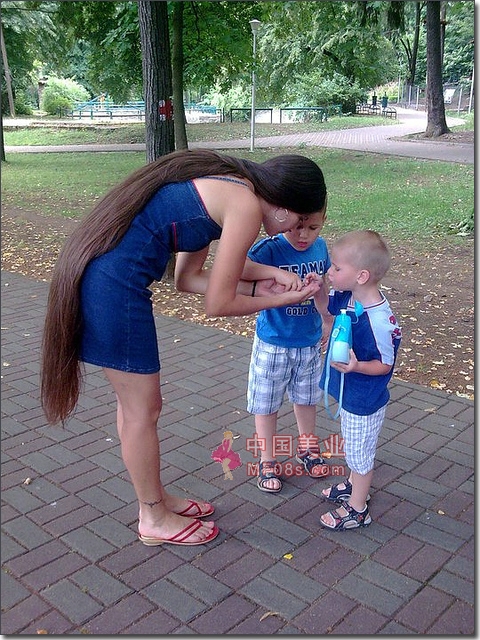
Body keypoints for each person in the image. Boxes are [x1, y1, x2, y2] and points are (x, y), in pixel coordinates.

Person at [40, 148, 327, 547]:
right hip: (114, 286)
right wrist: (279, 299)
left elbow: (187, 278)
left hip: (104, 275)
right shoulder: (245, 206)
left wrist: (267, 282)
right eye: (297, 220)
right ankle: (152, 516)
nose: (293, 231)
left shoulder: (230, 183)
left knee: (138, 409)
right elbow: (218, 304)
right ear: (282, 206)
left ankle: (155, 499)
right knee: (143, 410)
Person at [319, 230, 402, 530]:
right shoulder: (349, 295)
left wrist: (356, 366)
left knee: (360, 454)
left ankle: (357, 509)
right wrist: (317, 288)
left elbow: (385, 364)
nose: (330, 272)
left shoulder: (378, 319)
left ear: (362, 276)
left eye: (336, 268)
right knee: (353, 445)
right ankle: (354, 485)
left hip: (364, 400)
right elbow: (325, 309)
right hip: (351, 393)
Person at [246, 208, 333, 492]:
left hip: (308, 341)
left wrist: (327, 319)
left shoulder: (320, 248)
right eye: (297, 227)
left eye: (313, 228)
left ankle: (307, 448)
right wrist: (276, 274)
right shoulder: (269, 249)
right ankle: (267, 460)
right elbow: (238, 267)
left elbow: (322, 287)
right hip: (274, 341)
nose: (304, 235)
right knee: (266, 403)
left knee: (307, 398)